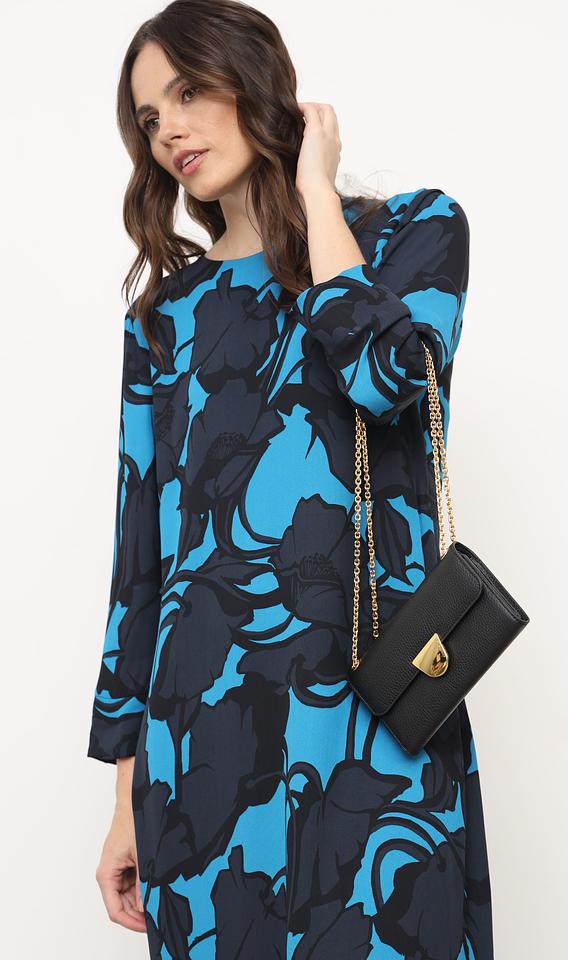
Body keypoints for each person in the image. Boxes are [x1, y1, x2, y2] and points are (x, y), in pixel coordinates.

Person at [87, 1, 494, 956]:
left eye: (190, 91)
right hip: (201, 738)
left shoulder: (416, 231)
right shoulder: (163, 318)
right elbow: (141, 562)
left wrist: (315, 193)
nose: (170, 129)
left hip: (375, 714)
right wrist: (124, 795)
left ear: (256, 79)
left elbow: (390, 380)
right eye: (149, 117)